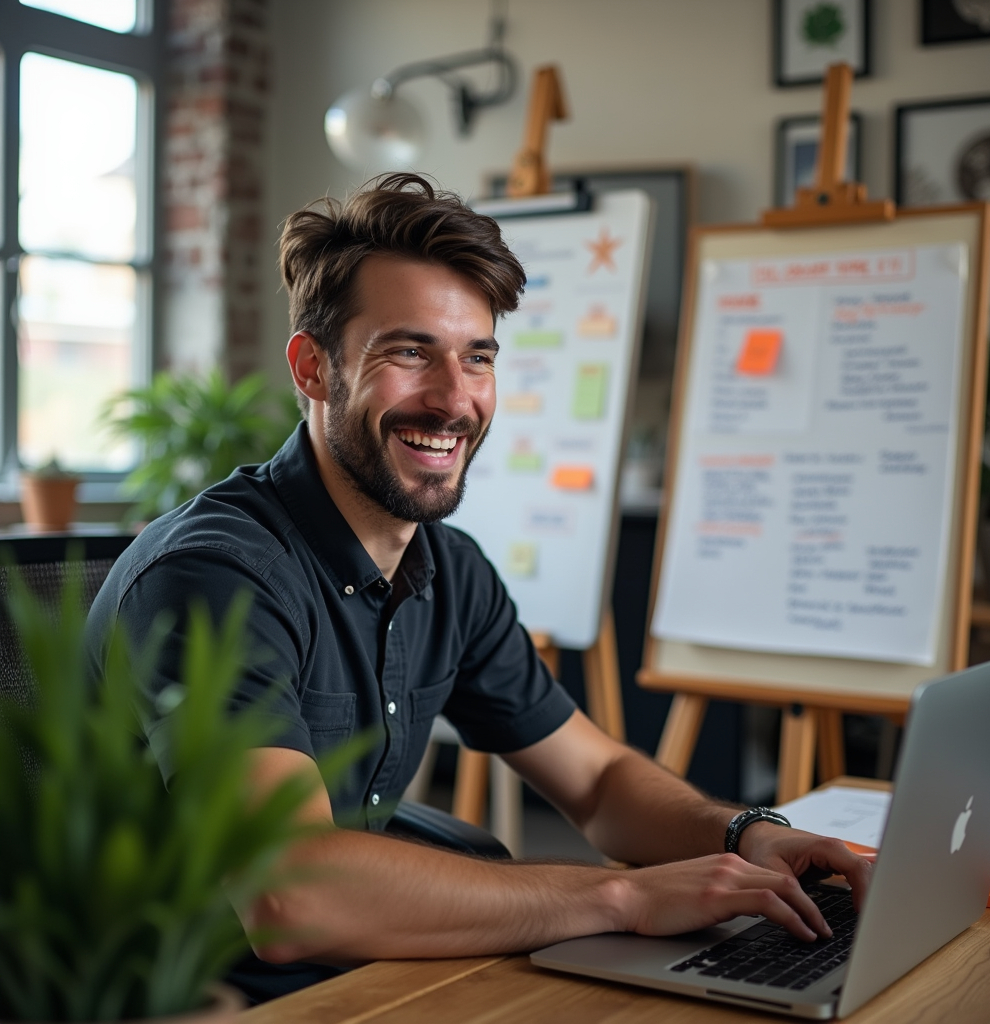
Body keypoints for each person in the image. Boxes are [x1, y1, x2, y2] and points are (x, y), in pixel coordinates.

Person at [86, 173, 870, 1003]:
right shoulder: (217, 578)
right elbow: (292, 895)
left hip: (374, 967)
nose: (455, 400)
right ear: (313, 368)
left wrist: (745, 834)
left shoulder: (447, 569)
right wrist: (620, 895)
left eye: (478, 357)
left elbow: (599, 783)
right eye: (408, 351)